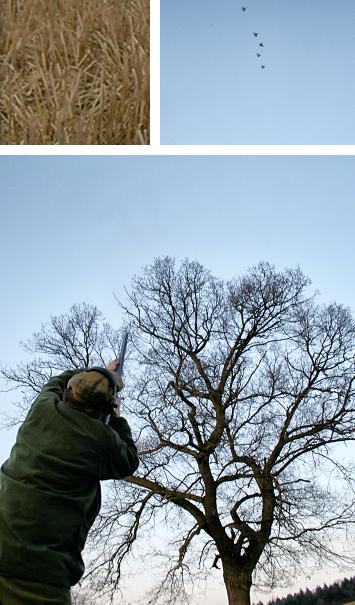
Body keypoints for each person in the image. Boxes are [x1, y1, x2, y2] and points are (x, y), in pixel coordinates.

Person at [0, 360, 139, 605]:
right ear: (104, 410)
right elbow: (129, 460)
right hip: (44, 574)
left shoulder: (42, 409)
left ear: (69, 392)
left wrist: (98, 372)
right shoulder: (101, 439)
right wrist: (117, 418)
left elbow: (57, 380)